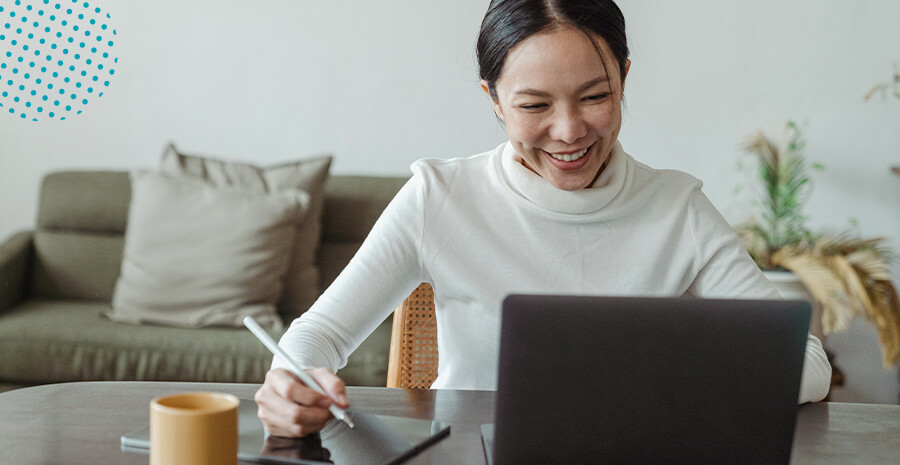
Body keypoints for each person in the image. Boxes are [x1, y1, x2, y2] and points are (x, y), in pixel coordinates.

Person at [255, 0, 832, 437]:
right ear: (494, 100)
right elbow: (320, 334)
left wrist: (676, 379)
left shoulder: (677, 208)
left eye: (595, 96)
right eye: (534, 105)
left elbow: (806, 362)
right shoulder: (440, 197)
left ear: (624, 79)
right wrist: (291, 383)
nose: (569, 130)